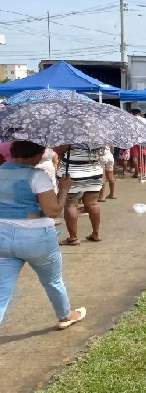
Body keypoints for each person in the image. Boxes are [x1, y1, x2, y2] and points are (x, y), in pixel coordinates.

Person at [0, 141, 86, 328]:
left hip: (3, 237)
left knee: (1, 292)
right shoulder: (38, 176)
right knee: (53, 281)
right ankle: (65, 316)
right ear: (37, 155)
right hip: (36, 237)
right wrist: (63, 189)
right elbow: (53, 211)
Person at [55, 145, 104, 245]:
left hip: (73, 172)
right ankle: (96, 234)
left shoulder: (71, 133)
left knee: (71, 205)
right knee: (93, 204)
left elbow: (58, 149)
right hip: (94, 172)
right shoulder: (98, 134)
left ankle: (73, 238)